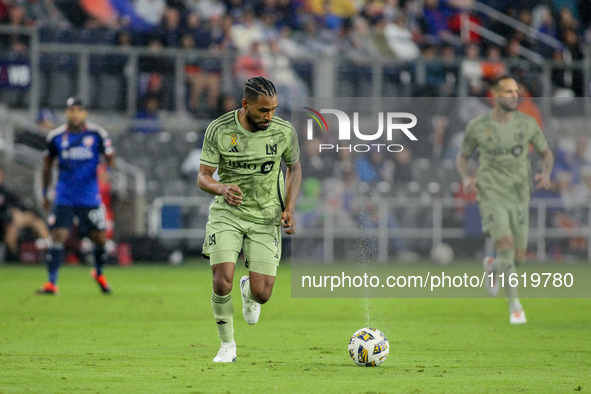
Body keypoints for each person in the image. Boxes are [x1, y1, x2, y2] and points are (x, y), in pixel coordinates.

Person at [197, 76, 301, 362]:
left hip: (266, 214)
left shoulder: (283, 132)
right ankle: (227, 345)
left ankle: (248, 290)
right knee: (221, 281)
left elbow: (294, 168)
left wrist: (289, 207)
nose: (269, 116)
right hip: (228, 212)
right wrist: (221, 188)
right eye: (263, 110)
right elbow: (203, 177)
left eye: (273, 109)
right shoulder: (219, 129)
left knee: (262, 293)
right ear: (245, 105)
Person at [456, 75, 554, 324]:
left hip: (520, 195)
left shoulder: (527, 124)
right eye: (509, 92)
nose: (514, 96)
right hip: (491, 194)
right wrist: (466, 178)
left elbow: (546, 154)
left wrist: (546, 173)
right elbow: (462, 157)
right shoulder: (478, 126)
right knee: (506, 245)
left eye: (516, 92)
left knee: (518, 257)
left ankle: (493, 266)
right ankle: (515, 307)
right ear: (496, 95)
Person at [37, 97, 116, 295]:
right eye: (72, 110)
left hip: (89, 196)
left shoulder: (97, 134)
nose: (75, 114)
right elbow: (47, 166)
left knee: (100, 239)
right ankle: (51, 283)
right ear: (67, 113)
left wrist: (109, 171)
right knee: (58, 236)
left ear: (85, 113)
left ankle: (98, 272)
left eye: (79, 110)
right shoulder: (56, 137)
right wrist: (45, 192)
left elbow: (111, 159)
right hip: (64, 195)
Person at [0, 166, 50, 259]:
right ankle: (12, 255)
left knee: (35, 220)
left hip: (12, 221)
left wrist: (17, 214)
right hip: (4, 223)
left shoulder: (6, 191)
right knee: (12, 226)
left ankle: (50, 246)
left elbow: (17, 205)